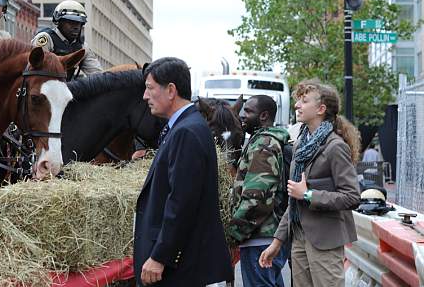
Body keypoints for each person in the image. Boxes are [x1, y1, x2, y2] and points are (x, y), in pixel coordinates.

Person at [134, 57, 233, 287]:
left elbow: (181, 202)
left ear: (171, 90)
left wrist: (160, 256)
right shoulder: (185, 127)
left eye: (150, 89)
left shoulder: (186, 132)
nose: (144, 96)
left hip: (179, 270)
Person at [259, 79, 361, 287]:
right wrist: (277, 243)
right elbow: (294, 199)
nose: (297, 105)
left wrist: (308, 195)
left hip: (325, 240)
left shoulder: (335, 147)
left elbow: (352, 196)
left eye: (304, 101)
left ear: (321, 109)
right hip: (299, 238)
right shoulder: (301, 146)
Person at [230, 95, 289, 286]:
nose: (242, 116)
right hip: (266, 238)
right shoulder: (265, 141)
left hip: (260, 239)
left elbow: (257, 197)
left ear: (263, 115)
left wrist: (234, 232)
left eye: (248, 111)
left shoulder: (263, 144)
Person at [31, 0, 102, 80]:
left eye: (79, 23)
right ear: (59, 22)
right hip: (41, 87)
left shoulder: (82, 47)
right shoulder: (45, 39)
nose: (76, 27)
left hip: (65, 89)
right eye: (71, 22)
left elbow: (97, 75)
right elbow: (36, 69)